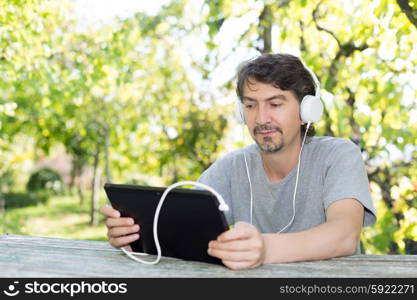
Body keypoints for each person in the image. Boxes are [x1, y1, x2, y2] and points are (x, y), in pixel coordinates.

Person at [100, 53, 376, 270]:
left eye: (275, 104)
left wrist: (265, 249)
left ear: (306, 110)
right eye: (250, 105)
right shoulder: (230, 167)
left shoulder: (338, 156)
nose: (261, 117)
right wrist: (138, 237)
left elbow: (343, 235)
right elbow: (186, 229)